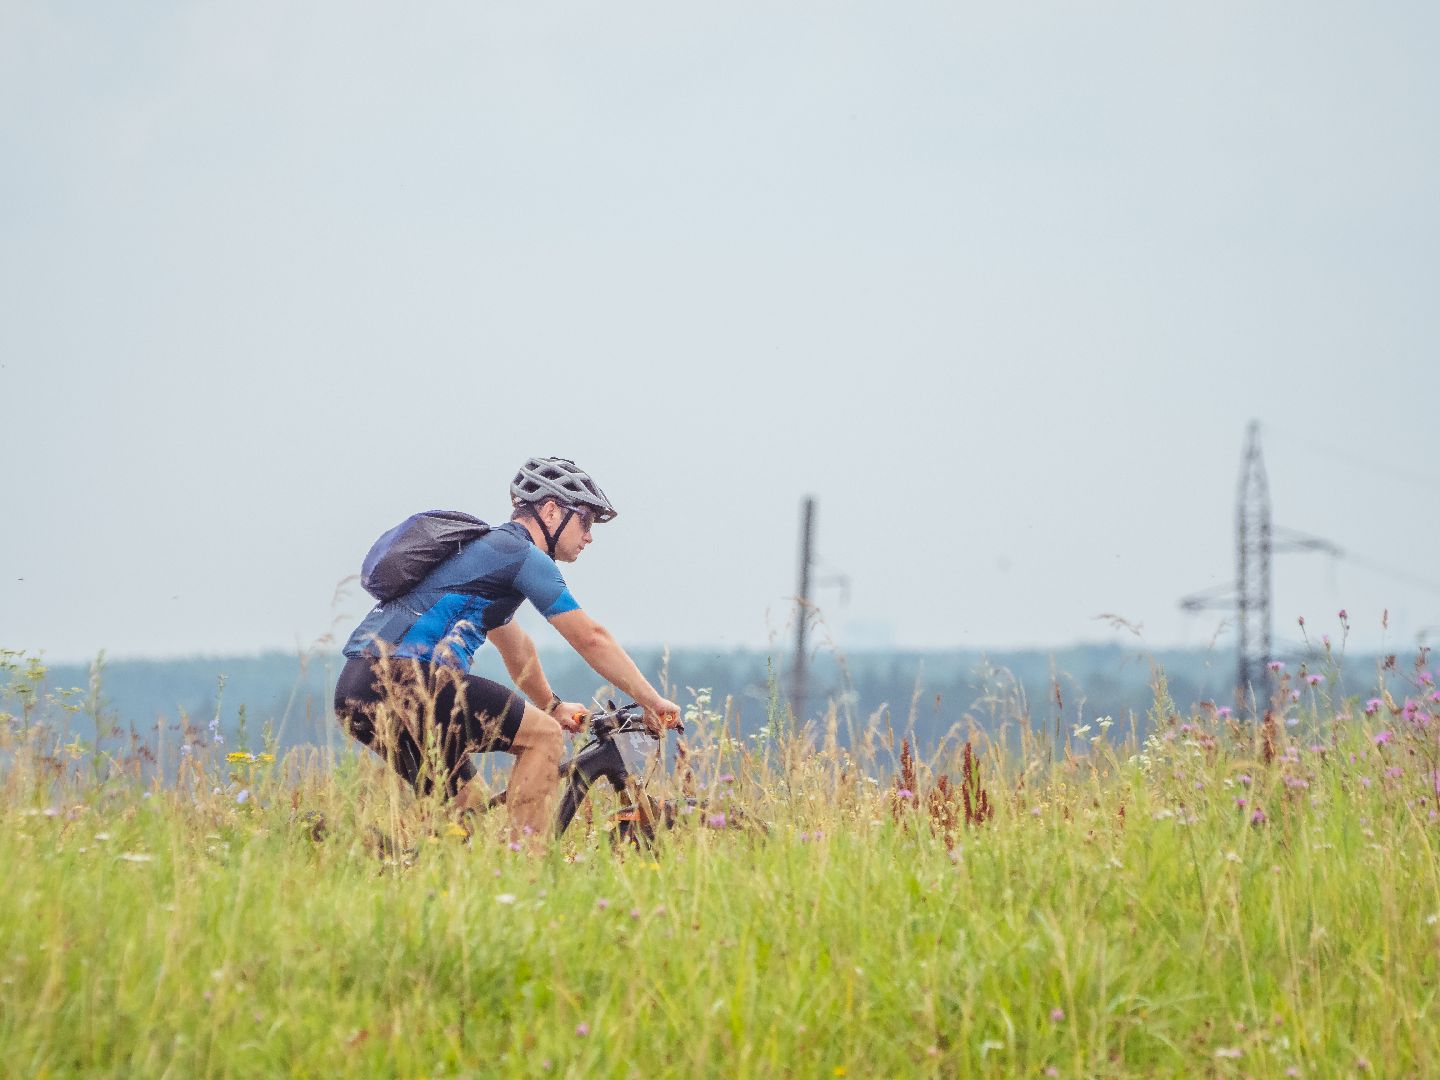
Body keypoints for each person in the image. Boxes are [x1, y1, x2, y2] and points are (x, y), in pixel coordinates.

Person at [333, 456, 680, 842]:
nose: (590, 535)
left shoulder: (485, 557)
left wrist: (553, 705)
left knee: (465, 814)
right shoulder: (520, 555)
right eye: (585, 520)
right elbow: (590, 637)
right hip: (404, 676)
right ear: (551, 511)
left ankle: (398, 869)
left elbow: (517, 649)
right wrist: (652, 701)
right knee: (544, 737)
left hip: (356, 688)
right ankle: (527, 874)